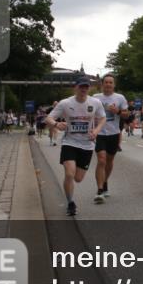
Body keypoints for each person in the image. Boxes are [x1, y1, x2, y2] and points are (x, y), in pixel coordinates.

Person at [46, 77, 106, 216]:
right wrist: (56, 124)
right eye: (81, 87)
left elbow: (102, 118)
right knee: (69, 173)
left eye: (86, 87)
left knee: (78, 178)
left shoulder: (95, 102)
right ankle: (70, 203)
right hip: (70, 142)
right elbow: (48, 118)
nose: (84, 89)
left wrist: (96, 131)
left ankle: (71, 195)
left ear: (89, 88)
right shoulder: (65, 103)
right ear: (75, 87)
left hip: (87, 145)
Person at [92, 75, 128, 203]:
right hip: (99, 133)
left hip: (113, 133)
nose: (108, 84)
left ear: (114, 84)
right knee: (101, 160)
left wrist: (117, 111)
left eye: (110, 82)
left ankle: (105, 181)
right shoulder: (95, 98)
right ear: (102, 84)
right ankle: (100, 190)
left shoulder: (120, 98)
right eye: (106, 82)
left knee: (109, 161)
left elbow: (126, 114)